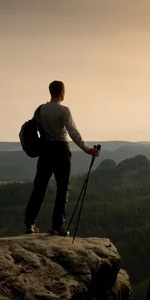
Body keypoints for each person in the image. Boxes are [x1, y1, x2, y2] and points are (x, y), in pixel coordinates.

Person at [24, 80, 100, 236]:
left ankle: (30, 223)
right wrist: (86, 149)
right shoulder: (64, 110)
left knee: (39, 187)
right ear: (62, 92)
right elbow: (73, 132)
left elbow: (34, 129)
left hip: (45, 150)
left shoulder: (40, 110)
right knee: (62, 188)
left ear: (50, 91)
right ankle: (57, 225)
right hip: (61, 150)